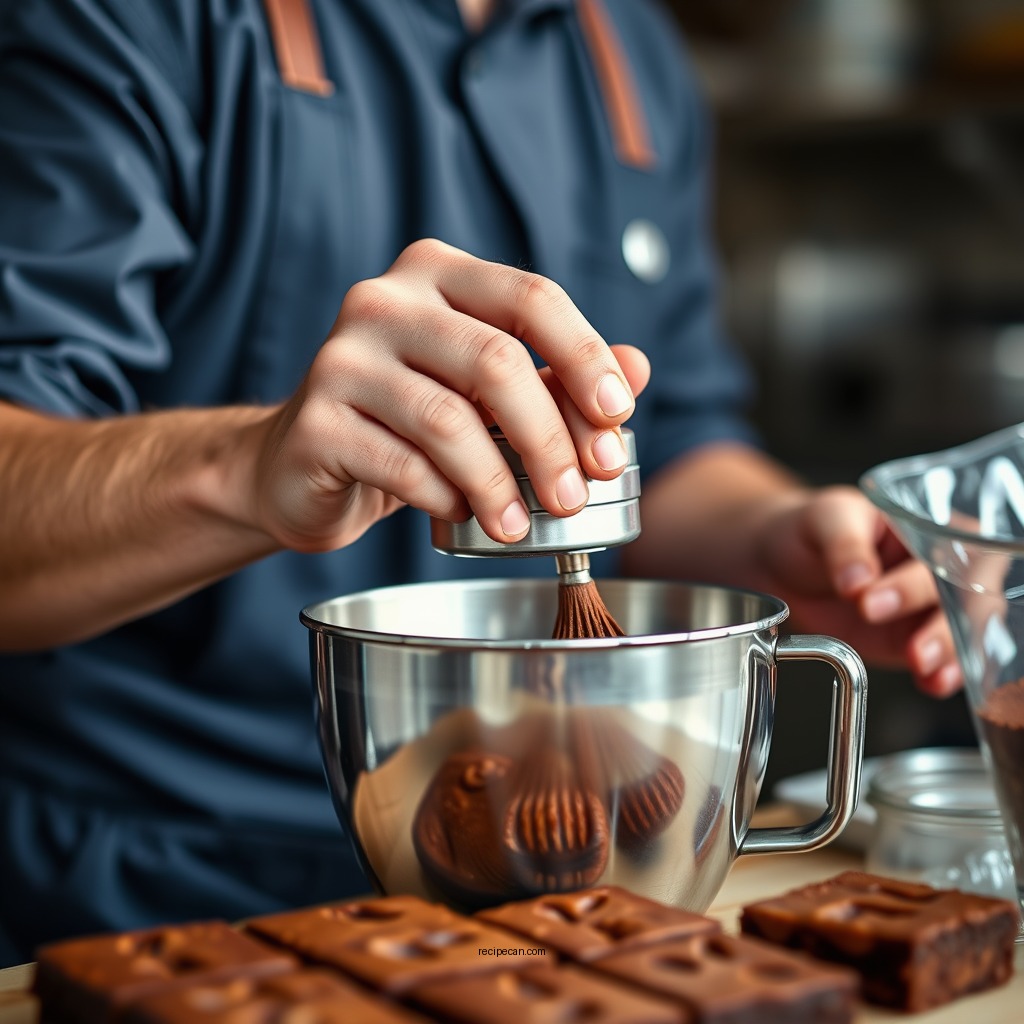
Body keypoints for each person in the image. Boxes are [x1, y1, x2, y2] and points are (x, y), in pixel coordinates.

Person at [0, 0, 961, 966]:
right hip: (150, 882)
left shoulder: (627, 51)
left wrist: (774, 532)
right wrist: (248, 466)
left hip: (560, 874)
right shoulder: (126, 21)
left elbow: (666, 450)